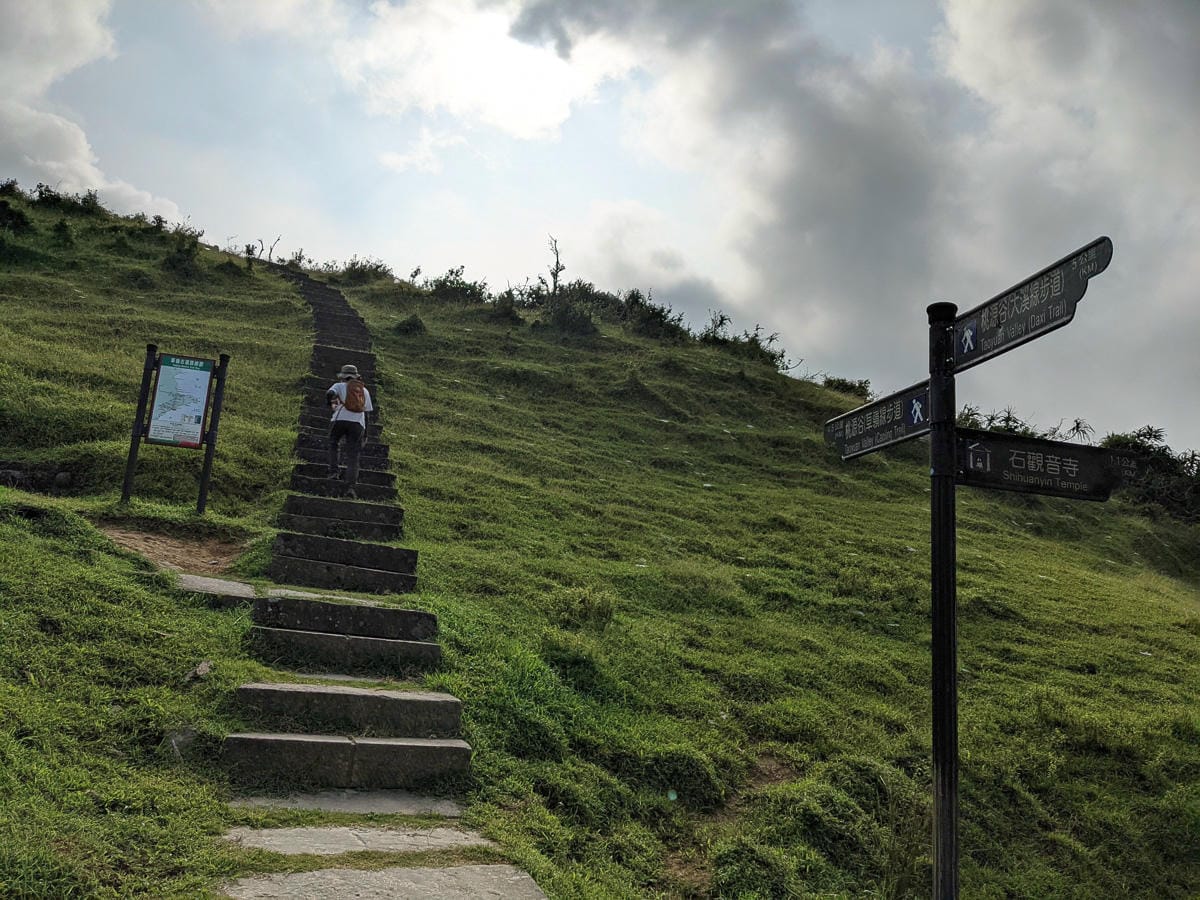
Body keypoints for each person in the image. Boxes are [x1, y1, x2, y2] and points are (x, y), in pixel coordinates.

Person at [325, 363, 374, 497]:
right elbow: (367, 413)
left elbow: (329, 393)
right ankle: (350, 487)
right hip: (358, 424)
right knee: (353, 455)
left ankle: (334, 473)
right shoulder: (364, 390)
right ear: (356, 377)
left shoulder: (339, 385)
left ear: (343, 376)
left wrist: (330, 404)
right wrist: (366, 433)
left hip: (339, 419)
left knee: (333, 443)